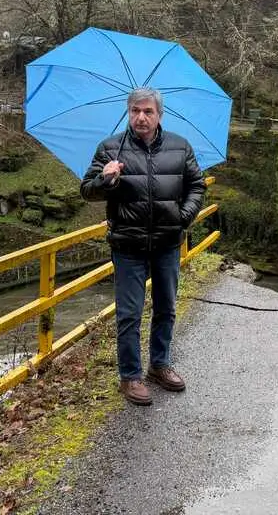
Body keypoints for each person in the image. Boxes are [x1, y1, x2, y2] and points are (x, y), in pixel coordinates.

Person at [81, 86, 206, 406]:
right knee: (130, 313)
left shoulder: (180, 147)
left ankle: (159, 366)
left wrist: (183, 217)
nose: (141, 117)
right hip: (128, 244)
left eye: (148, 111)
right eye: (135, 110)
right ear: (128, 112)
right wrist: (104, 180)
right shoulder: (110, 149)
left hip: (167, 242)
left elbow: (196, 185)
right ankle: (130, 376)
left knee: (166, 308)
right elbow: (88, 192)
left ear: (159, 115)